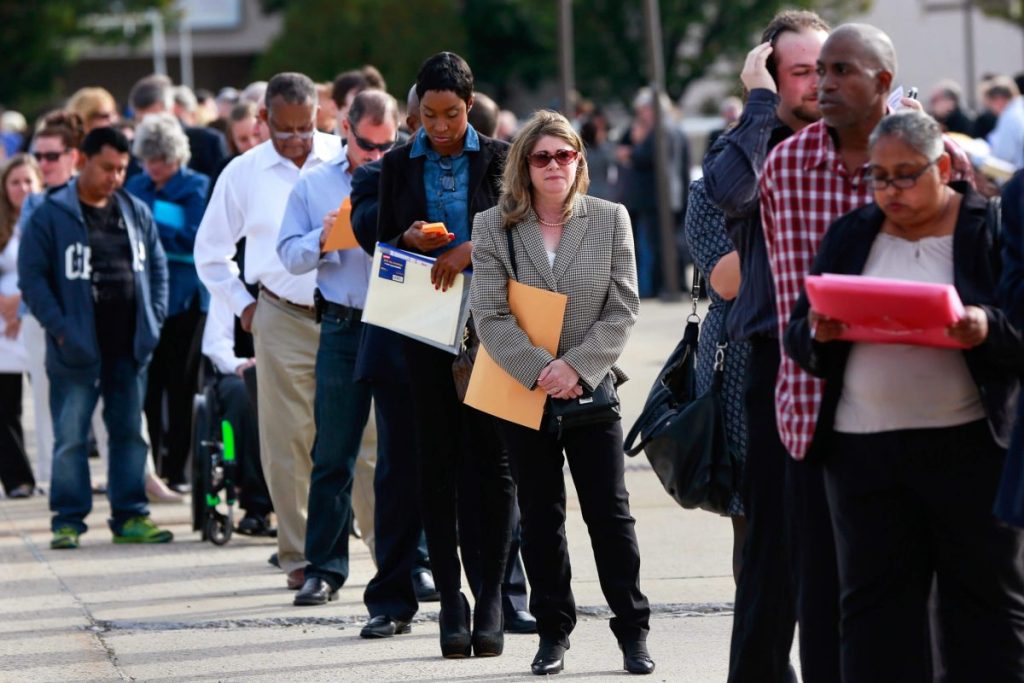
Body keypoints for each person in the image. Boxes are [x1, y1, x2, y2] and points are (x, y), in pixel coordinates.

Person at [759, 24, 975, 681]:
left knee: (938, 610)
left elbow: (982, 270)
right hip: (819, 418)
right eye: (816, 71)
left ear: (884, 82)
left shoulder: (941, 160)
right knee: (830, 605)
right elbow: (786, 304)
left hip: (939, 416)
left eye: (839, 71)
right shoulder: (786, 167)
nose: (822, 85)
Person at [785, 109, 1024, 682]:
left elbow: (1017, 327)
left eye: (905, 175)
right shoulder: (851, 232)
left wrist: (984, 327)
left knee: (985, 611)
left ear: (943, 166)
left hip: (969, 451)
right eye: (878, 176)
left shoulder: (983, 226)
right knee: (873, 614)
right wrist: (817, 331)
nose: (890, 190)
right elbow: (798, 332)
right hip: (863, 456)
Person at [470, 110, 653, 676]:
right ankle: (553, 633)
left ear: (581, 160)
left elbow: (624, 305)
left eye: (566, 155)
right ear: (525, 164)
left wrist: (575, 367)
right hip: (525, 394)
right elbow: (490, 314)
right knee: (541, 517)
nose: (556, 166)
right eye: (543, 156)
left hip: (591, 391)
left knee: (611, 516)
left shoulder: (610, 218)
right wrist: (540, 369)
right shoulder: (493, 226)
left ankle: (632, 632)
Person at [701, 10, 829, 682]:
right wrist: (756, 103)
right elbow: (728, 192)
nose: (817, 84)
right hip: (772, 362)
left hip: (859, 365)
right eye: (800, 71)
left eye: (825, 68)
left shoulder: (866, 137)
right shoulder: (750, 140)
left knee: (849, 553)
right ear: (772, 75)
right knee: (770, 554)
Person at [376, 52, 515, 659]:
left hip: (493, 327)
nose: (439, 127)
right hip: (424, 324)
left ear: (470, 104)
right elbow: (381, 241)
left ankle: (491, 597)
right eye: (428, 115)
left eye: (451, 114)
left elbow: (521, 233)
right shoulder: (395, 163)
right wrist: (407, 238)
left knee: (493, 465)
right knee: (436, 463)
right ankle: (451, 600)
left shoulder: (501, 158)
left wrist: (470, 250)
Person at [195, 72, 341, 589]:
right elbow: (210, 253)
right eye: (286, 130)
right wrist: (243, 307)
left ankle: (378, 549)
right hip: (279, 314)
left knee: (357, 435)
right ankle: (299, 556)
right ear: (263, 120)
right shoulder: (243, 173)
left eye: (307, 127)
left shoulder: (343, 159)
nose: (298, 140)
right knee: (287, 441)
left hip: (344, 313)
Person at [18, 126, 171, 549]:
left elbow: (157, 270)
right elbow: (32, 280)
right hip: (75, 349)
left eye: (122, 169)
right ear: (82, 160)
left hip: (129, 345)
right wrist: (64, 332)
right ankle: (67, 520)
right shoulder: (50, 214)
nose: (115, 177)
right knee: (70, 436)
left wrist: (153, 322)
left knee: (128, 432)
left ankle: (130, 515)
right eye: (107, 168)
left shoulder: (135, 211)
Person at [275, 89, 398, 607]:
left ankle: (410, 565)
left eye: (388, 145)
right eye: (368, 146)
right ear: (346, 130)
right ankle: (324, 569)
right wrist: (322, 240)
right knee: (333, 452)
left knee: (401, 453)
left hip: (398, 322)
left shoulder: (406, 174)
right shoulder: (315, 183)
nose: (376, 156)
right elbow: (288, 254)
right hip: (344, 325)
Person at [124, 113, 211, 491]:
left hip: (186, 302)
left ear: (175, 157)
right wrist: (163, 230)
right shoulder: (135, 184)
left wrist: (150, 229)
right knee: (148, 386)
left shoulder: (197, 186)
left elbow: (195, 237)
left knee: (181, 386)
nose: (152, 168)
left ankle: (178, 470)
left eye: (159, 160)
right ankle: (150, 469)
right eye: (146, 159)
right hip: (143, 300)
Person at [682, 177, 749, 578]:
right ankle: (758, 635)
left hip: (822, 349)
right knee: (750, 515)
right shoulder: (711, 190)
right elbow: (725, 282)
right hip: (738, 357)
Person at [200, 292, 274, 536]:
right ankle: (257, 504)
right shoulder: (229, 283)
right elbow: (215, 344)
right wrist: (240, 365)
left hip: (290, 366)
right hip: (239, 371)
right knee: (245, 395)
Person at [0, 154, 42, 498]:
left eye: (28, 181)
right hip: (2, 327)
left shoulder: (44, 217)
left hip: (34, 315)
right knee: (5, 405)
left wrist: (19, 304)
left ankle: (51, 476)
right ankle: (17, 479)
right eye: (15, 182)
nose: (22, 188)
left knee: (46, 401)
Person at [129, 75, 229, 178]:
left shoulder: (208, 142)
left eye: (155, 117)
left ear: (172, 108)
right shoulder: (133, 149)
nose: (150, 126)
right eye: (142, 121)